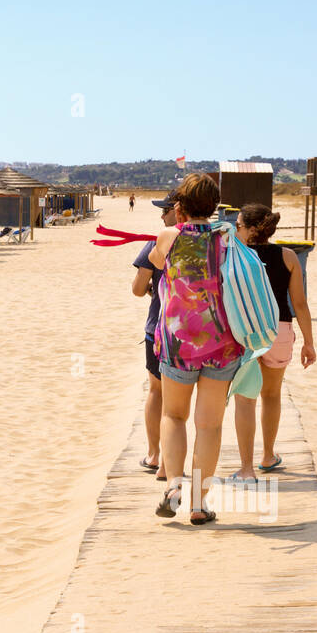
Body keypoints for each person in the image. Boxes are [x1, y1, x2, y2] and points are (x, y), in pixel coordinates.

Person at [147, 173, 242, 525]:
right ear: (214, 206)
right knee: (210, 425)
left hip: (178, 340)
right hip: (221, 340)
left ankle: (174, 485)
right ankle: (200, 504)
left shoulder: (169, 237)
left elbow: (156, 263)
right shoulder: (228, 239)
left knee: (174, 416)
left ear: (181, 205)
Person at [230, 204, 317, 481]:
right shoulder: (289, 256)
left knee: (246, 399)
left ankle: (246, 468)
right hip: (279, 330)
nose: (236, 228)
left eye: (240, 224)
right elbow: (300, 304)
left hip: (245, 331)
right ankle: (268, 455)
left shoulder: (235, 256)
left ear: (252, 228)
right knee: (271, 395)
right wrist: (308, 343)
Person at [131, 191, 180, 481]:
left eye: (165, 210)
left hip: (160, 328)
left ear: (178, 209)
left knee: (157, 392)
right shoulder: (213, 241)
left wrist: (152, 289)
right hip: (200, 332)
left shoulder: (156, 243)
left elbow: (137, 289)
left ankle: (155, 455)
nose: (161, 216)